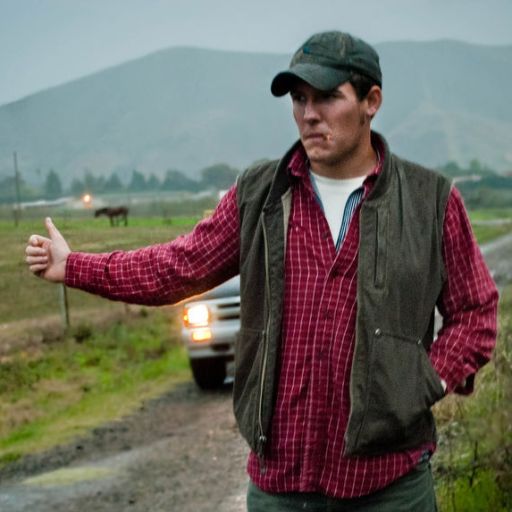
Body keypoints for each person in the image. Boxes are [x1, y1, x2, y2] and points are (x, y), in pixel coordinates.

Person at [26, 31, 498, 511]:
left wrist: (426, 381)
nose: (309, 114)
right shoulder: (259, 195)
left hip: (389, 486)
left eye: (327, 97)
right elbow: (177, 266)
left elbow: (476, 312)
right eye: (299, 99)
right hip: (280, 489)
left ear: (371, 101)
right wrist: (73, 266)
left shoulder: (429, 201)